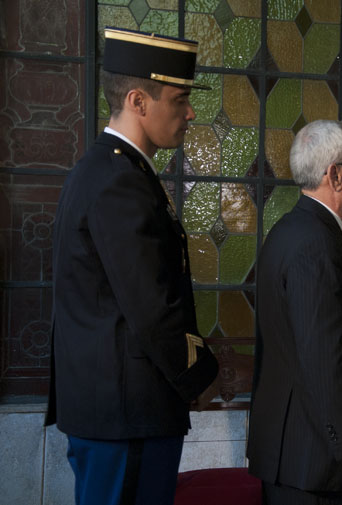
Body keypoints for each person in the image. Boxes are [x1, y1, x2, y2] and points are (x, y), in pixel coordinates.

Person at [45, 27, 221, 505]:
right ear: (139, 101)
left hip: (115, 411)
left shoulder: (109, 170)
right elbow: (152, 307)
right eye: (180, 99)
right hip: (127, 416)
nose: (190, 113)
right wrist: (200, 374)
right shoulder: (120, 181)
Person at [247, 120, 342, 505]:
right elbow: (323, 357)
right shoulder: (315, 245)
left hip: (302, 455)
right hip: (316, 464)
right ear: (335, 175)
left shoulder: (295, 230)